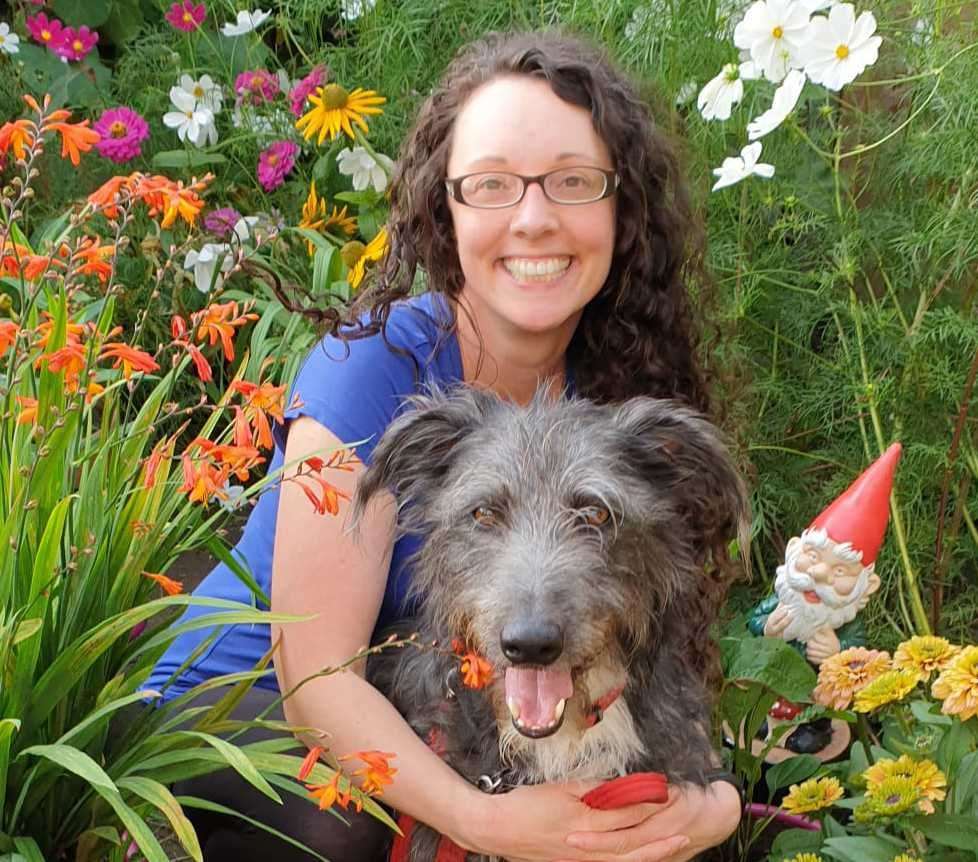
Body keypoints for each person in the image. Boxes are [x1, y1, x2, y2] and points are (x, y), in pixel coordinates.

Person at [147, 30, 744, 862]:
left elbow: (651, 660)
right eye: (492, 185)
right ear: (446, 207)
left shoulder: (612, 385)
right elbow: (317, 687)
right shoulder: (372, 370)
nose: (533, 219)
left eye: (572, 183)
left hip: (426, 699)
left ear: (622, 209)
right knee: (340, 818)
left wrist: (712, 803)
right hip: (229, 715)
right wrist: (484, 820)